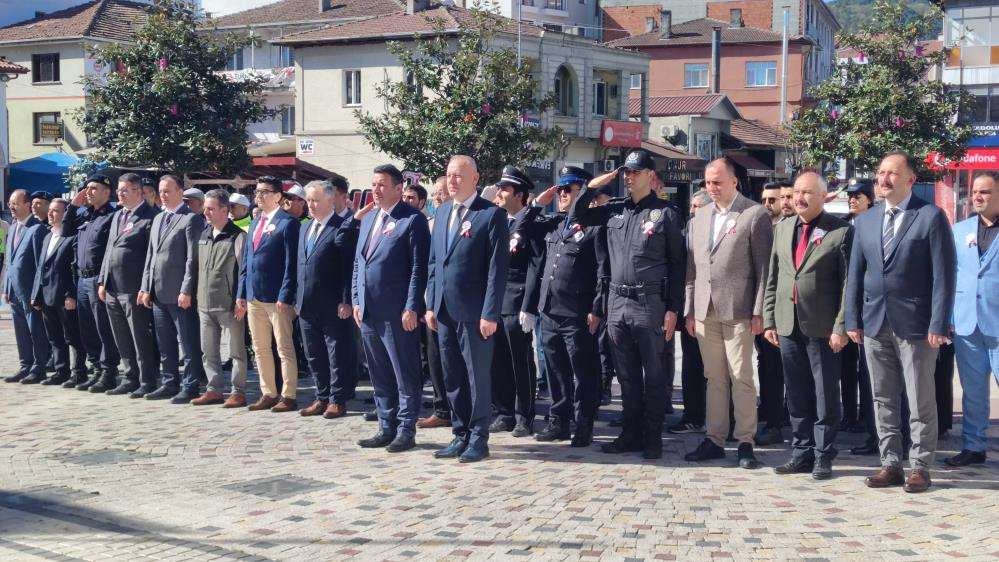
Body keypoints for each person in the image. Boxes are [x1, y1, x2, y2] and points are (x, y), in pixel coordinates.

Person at [845, 151, 956, 493]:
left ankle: (920, 466)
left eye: (892, 173)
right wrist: (852, 318)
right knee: (882, 397)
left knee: (920, 397)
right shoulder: (866, 221)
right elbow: (855, 274)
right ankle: (890, 463)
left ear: (910, 179)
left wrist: (938, 322)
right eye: (880, 172)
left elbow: (944, 274)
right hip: (874, 322)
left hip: (916, 324)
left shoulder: (930, 217)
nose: (883, 179)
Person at [571, 150, 685, 460]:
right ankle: (630, 433)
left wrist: (673, 308)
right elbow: (579, 216)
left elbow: (678, 264)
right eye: (626, 172)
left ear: (650, 175)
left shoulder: (666, 213)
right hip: (617, 301)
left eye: (635, 172)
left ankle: (652, 436)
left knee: (654, 374)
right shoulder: (614, 211)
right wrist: (593, 187)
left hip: (650, 302)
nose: (628, 177)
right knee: (626, 375)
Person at [683, 157, 772, 469]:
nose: (712, 188)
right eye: (708, 182)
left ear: (734, 181)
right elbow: (692, 269)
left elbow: (764, 269)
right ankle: (715, 438)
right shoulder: (699, 217)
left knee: (741, 376)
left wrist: (759, 311)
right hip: (704, 310)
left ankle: (745, 441)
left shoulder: (754, 214)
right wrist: (689, 311)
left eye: (718, 182)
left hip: (739, 309)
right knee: (714, 377)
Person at [763, 171, 852, 480]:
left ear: (823, 196)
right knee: (797, 391)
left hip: (822, 328)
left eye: (807, 193)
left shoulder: (840, 231)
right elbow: (774, 277)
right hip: (788, 324)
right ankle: (801, 452)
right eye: (796, 192)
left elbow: (847, 285)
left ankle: (823, 454)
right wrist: (769, 318)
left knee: (825, 393)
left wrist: (841, 326)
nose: (799, 198)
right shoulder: (783, 228)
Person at [425, 155, 509, 463]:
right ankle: (460, 433)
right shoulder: (442, 211)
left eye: (459, 175)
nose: (452, 181)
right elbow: (435, 263)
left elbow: (496, 269)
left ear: (475, 179)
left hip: (475, 313)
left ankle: (478, 438)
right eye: (449, 175)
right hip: (444, 311)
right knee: (452, 376)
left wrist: (490, 312)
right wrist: (431, 304)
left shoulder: (490, 215)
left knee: (477, 378)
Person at [523, 166, 607, 446]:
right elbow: (521, 229)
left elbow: (602, 271)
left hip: (577, 312)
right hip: (549, 310)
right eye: (559, 190)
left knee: (583, 372)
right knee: (555, 369)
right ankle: (559, 421)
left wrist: (596, 309)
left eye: (568, 190)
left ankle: (584, 424)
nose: (561, 194)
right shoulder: (554, 224)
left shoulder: (594, 227)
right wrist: (537, 205)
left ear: (582, 192)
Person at [350, 165, 430, 451]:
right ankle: (386, 426)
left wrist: (412, 306)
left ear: (398, 188)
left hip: (398, 313)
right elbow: (359, 263)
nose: (376, 189)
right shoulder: (369, 218)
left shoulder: (412, 220)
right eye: (374, 184)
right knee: (379, 373)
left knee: (404, 374)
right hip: (369, 311)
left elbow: (419, 268)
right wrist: (356, 300)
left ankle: (406, 429)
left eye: (382, 184)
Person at [945, 172, 999, 466]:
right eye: (975, 191)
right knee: (973, 390)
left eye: (985, 192)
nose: (977, 197)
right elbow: (950, 275)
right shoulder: (959, 230)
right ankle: (974, 446)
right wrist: (948, 317)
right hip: (967, 324)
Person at [295, 180, 359, 419]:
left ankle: (337, 399)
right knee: (314, 354)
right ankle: (321, 396)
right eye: (309, 200)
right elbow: (299, 265)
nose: (310, 205)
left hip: (333, 304)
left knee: (337, 353)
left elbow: (348, 267)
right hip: (306, 303)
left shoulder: (342, 227)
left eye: (316, 200)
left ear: (331, 201)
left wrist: (346, 300)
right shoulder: (305, 228)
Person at [236, 176, 301, 412]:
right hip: (254, 296)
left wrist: (286, 295)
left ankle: (288, 394)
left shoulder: (288, 223)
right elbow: (247, 261)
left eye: (264, 192)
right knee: (260, 347)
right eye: (257, 191)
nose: (259, 196)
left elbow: (291, 264)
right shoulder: (255, 222)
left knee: (284, 348)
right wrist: (241, 293)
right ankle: (268, 392)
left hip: (277, 297)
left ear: (277, 196)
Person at [139, 175, 206, 402]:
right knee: (165, 343)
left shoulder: (190, 219)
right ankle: (169, 383)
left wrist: (186, 290)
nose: (163, 196)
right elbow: (151, 255)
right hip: (158, 292)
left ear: (180, 191)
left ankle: (191, 385)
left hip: (180, 293)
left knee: (188, 342)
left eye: (168, 191)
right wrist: (145, 287)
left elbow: (192, 259)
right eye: (161, 192)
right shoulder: (158, 218)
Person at [490, 166, 544, 437]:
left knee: (519, 361)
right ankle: (504, 412)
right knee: (498, 360)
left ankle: (525, 415)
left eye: (505, 189)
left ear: (519, 194)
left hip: (517, 300)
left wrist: (529, 306)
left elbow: (535, 266)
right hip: (496, 302)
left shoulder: (532, 223)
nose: (499, 192)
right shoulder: (498, 221)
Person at [97, 173, 161, 396]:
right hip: (113, 286)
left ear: (138, 191)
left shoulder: (151, 217)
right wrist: (102, 280)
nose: (120, 194)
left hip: (134, 287)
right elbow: (109, 249)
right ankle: (130, 376)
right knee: (121, 336)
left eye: (124, 190)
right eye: (119, 190)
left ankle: (147, 380)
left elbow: (151, 257)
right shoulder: (118, 216)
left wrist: (146, 287)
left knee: (139, 336)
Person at [192, 190, 248, 407]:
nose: (206, 212)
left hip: (229, 304)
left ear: (225, 210)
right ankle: (213, 389)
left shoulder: (237, 236)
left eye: (211, 209)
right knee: (208, 351)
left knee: (236, 351)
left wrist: (241, 298)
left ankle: (238, 391)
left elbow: (244, 271)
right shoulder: (204, 234)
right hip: (204, 303)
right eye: (205, 208)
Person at [64, 175, 120, 390]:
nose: (88, 192)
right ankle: (96, 368)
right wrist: (73, 206)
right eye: (87, 188)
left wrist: (104, 280)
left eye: (93, 188)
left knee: (103, 328)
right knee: (87, 329)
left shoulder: (112, 217)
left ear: (107, 192)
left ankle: (109, 372)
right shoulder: (85, 215)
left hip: (99, 278)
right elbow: (66, 231)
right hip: (82, 279)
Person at [840, 178, 880, 454]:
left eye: (858, 196)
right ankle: (849, 415)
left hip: (869, 308)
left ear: (870, 199)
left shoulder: (876, 224)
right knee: (846, 367)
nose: (852, 200)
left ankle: (871, 424)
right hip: (845, 307)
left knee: (869, 374)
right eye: (850, 196)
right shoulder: (844, 226)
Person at [30, 198, 87, 386]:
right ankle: (61, 371)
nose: (50, 213)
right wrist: (36, 295)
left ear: (65, 214)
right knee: (54, 337)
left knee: (73, 336)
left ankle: (79, 372)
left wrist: (71, 294)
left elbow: (74, 268)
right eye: (50, 210)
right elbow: (41, 268)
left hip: (64, 296)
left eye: (55, 211)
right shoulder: (48, 236)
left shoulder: (71, 237)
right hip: (47, 295)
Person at [667, 189, 710, 435]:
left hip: (713, 310)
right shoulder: (688, 231)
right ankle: (693, 415)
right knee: (691, 365)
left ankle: (716, 418)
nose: (692, 211)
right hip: (690, 309)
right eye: (691, 206)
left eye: (697, 206)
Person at [3, 189, 50, 384]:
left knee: (36, 330)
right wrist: (6, 288)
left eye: (15, 203)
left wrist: (37, 293)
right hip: (14, 291)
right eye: (10, 204)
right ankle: (25, 366)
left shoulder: (37, 229)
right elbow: (10, 261)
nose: (11, 207)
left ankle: (39, 367)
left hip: (30, 292)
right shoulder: (13, 227)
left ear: (27, 204)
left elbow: (41, 265)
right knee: (21, 332)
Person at [419, 176, 453, 429]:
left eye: (442, 193)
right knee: (434, 358)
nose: (437, 198)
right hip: (432, 302)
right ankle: (441, 408)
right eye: (435, 193)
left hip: (458, 304)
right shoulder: (430, 224)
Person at [755, 183, 787, 446]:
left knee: (778, 369)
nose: (768, 204)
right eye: (764, 199)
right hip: (762, 310)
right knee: (765, 365)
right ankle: (768, 411)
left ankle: (777, 421)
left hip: (785, 311)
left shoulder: (788, 229)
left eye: (773, 200)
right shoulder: (761, 228)